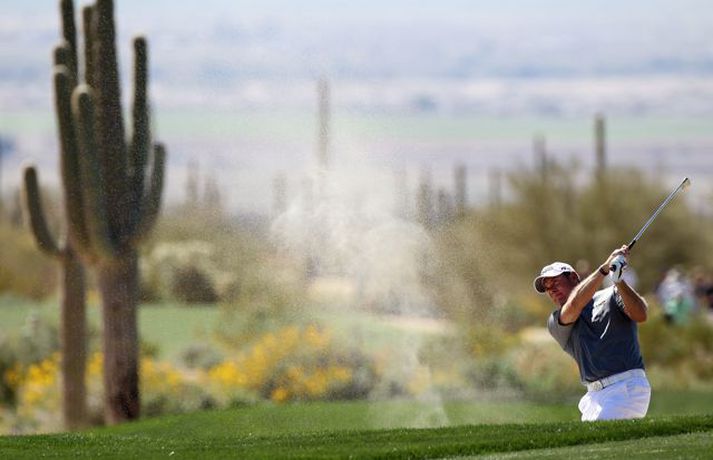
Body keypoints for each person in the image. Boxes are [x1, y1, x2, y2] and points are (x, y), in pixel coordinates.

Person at [533, 245, 651, 421]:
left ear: (573, 277)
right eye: (547, 288)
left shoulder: (612, 295)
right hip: (594, 397)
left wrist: (619, 281)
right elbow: (574, 306)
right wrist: (604, 269)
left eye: (555, 282)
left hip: (626, 387)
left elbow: (641, 315)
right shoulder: (556, 320)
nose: (552, 290)